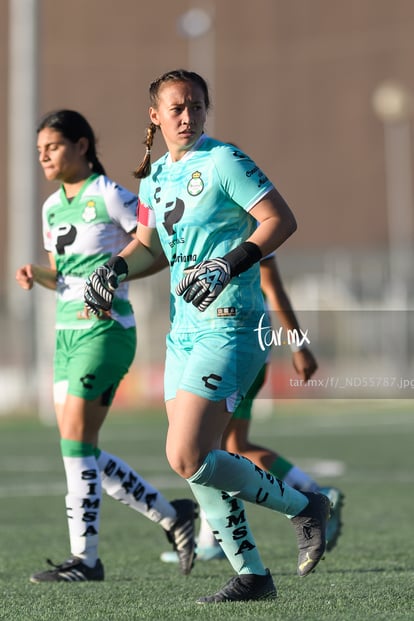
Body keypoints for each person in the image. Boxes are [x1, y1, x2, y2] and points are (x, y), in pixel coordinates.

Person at [84, 69, 331, 604]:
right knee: (194, 460)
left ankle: (305, 506)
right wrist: (114, 269)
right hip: (184, 331)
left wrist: (226, 263)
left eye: (196, 106)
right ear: (155, 116)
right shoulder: (152, 179)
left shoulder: (223, 160)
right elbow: (150, 248)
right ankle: (252, 575)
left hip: (234, 324)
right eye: (176, 108)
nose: (188, 116)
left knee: (188, 450)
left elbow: (280, 220)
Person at [15, 109, 197, 583]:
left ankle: (86, 561)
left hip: (106, 333)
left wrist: (120, 277)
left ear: (81, 145)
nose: (44, 157)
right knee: (79, 448)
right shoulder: (51, 208)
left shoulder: (111, 195)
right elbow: (72, 277)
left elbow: (157, 250)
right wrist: (42, 275)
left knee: (76, 445)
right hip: (65, 336)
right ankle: (171, 515)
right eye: (39, 151)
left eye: (52, 147)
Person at [159, 254, 344, 563]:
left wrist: (297, 344)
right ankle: (307, 493)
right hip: (221, 340)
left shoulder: (247, 221)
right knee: (226, 446)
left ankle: (306, 497)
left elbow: (273, 285)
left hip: (236, 345)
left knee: (213, 447)